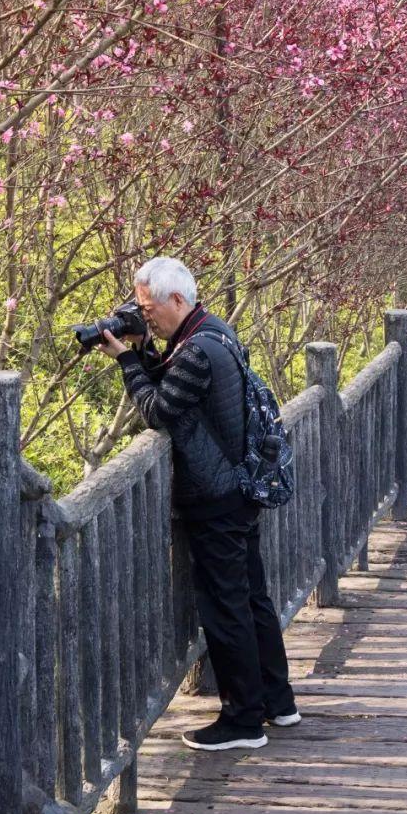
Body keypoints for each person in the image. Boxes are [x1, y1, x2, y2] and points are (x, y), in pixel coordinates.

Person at [100, 255, 299, 750]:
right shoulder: (215, 331)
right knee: (252, 598)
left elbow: (159, 409)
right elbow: (179, 393)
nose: (144, 318)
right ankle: (278, 703)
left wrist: (127, 360)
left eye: (148, 311)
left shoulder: (195, 352)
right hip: (238, 488)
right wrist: (145, 350)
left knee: (226, 606)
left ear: (176, 299)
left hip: (214, 496)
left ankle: (243, 722)